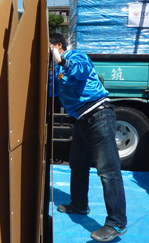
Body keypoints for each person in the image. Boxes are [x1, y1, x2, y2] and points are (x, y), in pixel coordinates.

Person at [49, 33, 127, 242]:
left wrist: (62, 60)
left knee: (108, 171)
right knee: (78, 165)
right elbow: (48, 90)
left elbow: (80, 72)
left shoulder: (75, 57)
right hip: (82, 121)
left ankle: (116, 223)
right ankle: (79, 204)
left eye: (48, 47)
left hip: (99, 114)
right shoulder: (55, 70)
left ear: (58, 45)